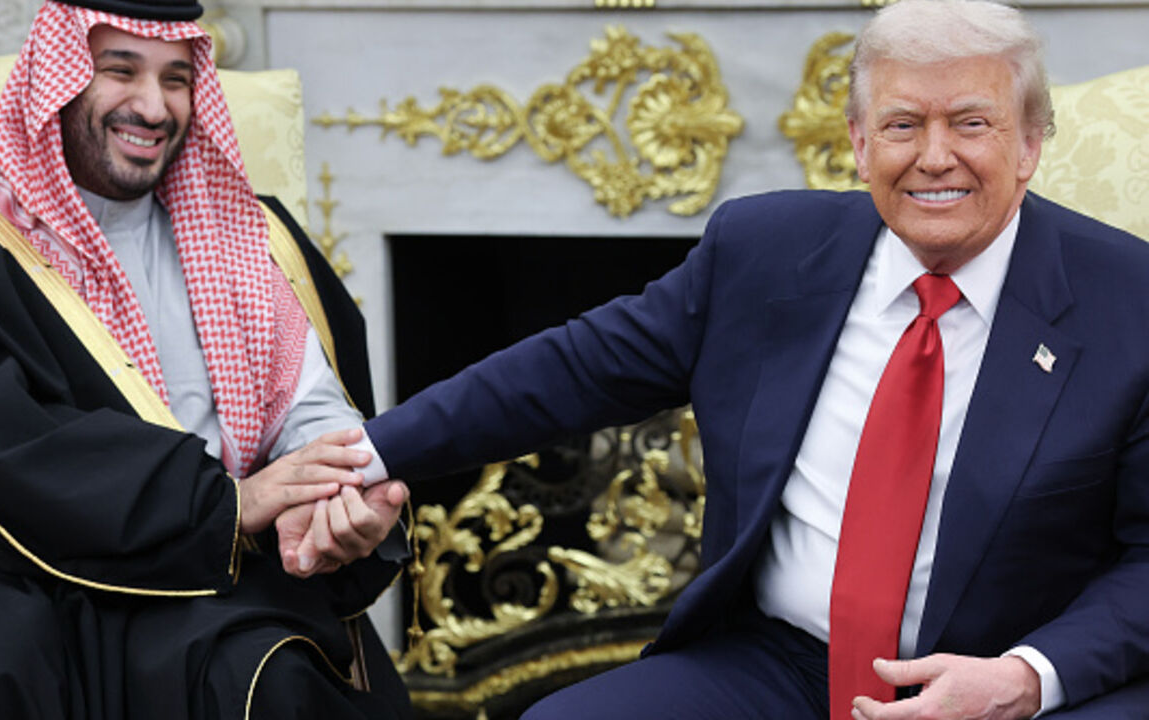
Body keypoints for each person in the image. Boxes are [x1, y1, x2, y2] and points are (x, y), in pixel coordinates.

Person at [344, 0, 1149, 717]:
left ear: (1032, 143)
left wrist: (1027, 676)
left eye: (972, 123)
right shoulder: (765, 252)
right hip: (783, 664)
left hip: (1013, 681)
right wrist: (365, 457)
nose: (934, 156)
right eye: (904, 125)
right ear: (861, 145)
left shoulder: (1129, 302)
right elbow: (571, 370)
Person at [0, 1, 411, 718]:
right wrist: (227, 504)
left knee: (267, 675)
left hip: (199, 570)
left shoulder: (253, 239)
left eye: (177, 78)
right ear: (56, 80)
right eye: (119, 70)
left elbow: (311, 412)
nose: (154, 107)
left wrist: (341, 499)